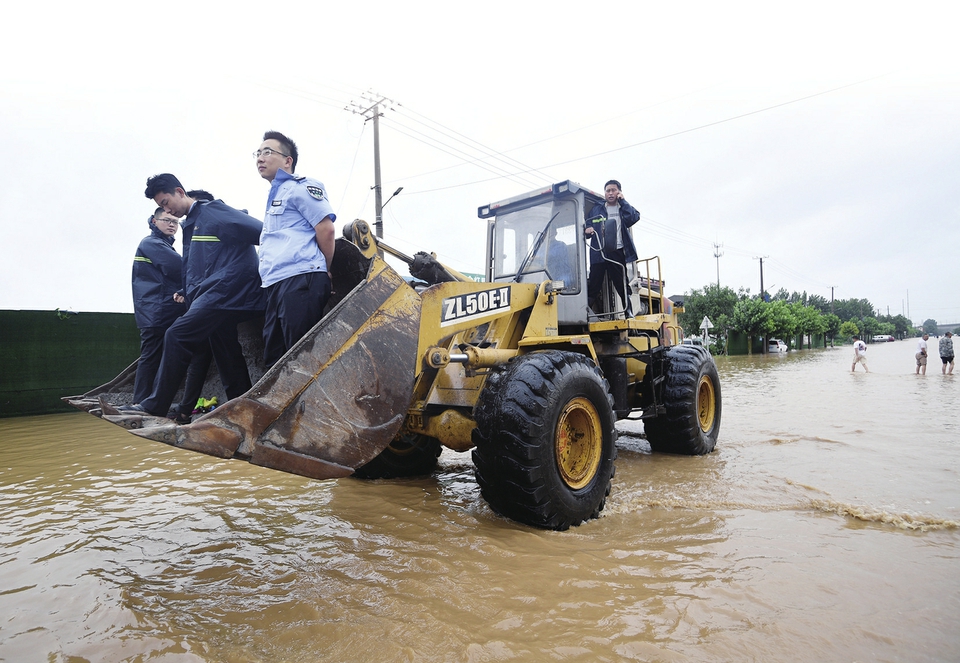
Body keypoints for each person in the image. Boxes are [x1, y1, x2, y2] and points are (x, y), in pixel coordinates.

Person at [122, 174, 264, 418]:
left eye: (166, 202)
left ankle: (155, 405)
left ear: (179, 191)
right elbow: (197, 267)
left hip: (224, 293)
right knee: (225, 352)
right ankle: (242, 408)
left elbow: (261, 232)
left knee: (176, 335)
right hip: (214, 295)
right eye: (161, 207)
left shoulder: (212, 212)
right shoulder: (192, 223)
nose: (166, 209)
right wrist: (186, 292)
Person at [255, 131, 336, 369]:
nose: (260, 158)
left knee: (301, 359)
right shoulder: (275, 195)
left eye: (267, 152)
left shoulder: (302, 186)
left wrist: (326, 269)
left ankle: (308, 408)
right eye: (257, 153)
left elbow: (326, 229)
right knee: (275, 361)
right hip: (276, 283)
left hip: (301, 277)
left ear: (288, 160)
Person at [131, 208, 186, 402]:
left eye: (175, 222)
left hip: (155, 309)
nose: (172, 224)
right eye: (167, 220)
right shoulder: (152, 243)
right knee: (151, 357)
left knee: (153, 356)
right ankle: (141, 401)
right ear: (154, 221)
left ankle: (146, 400)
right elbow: (179, 269)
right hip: (157, 311)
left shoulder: (161, 244)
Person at [584, 179, 641, 317]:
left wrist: (624, 201)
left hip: (617, 251)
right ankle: (584, 313)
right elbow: (587, 226)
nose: (610, 193)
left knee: (621, 283)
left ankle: (628, 312)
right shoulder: (597, 209)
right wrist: (587, 229)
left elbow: (634, 217)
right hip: (599, 251)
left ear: (619, 192)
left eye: (613, 190)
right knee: (594, 284)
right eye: (607, 190)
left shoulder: (623, 208)